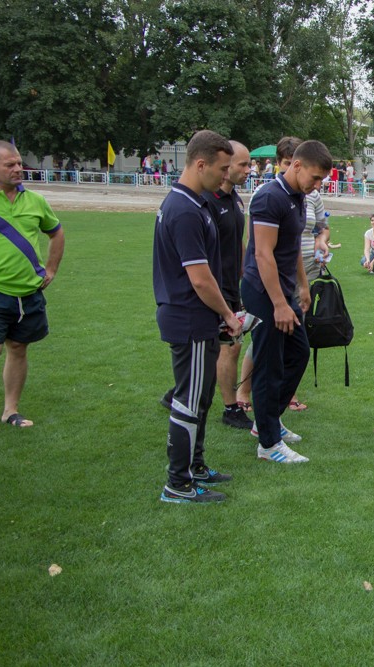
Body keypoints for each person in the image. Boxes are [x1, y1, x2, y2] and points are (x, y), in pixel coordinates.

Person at [152, 130, 240, 503]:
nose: (226, 176)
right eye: (222, 168)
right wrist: (228, 315)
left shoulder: (194, 202)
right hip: (189, 317)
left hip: (196, 318)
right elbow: (200, 279)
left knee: (200, 398)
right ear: (200, 164)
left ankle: (196, 466)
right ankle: (178, 483)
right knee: (189, 400)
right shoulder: (185, 210)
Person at [242, 140, 333, 464]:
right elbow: (262, 254)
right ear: (295, 165)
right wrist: (279, 304)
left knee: (298, 352)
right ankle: (268, 444)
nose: (318, 185)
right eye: (315, 177)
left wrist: (303, 286)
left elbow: (292, 247)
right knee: (269, 365)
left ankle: (268, 420)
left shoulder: (298, 197)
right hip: (263, 292)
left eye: (322, 179)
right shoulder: (270, 197)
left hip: (284, 290)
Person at [159, 141, 255, 429]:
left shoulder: (234, 200)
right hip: (207, 292)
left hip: (229, 284)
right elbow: (197, 269)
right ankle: (230, 407)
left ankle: (179, 392)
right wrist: (225, 310)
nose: (247, 170)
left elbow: (236, 240)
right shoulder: (198, 204)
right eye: (240, 165)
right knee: (227, 350)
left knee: (215, 355)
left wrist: (244, 273)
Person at [0, 140, 66, 428]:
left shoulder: (35, 201)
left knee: (19, 347)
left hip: (28, 293)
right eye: (10, 164)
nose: (18, 168)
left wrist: (51, 269)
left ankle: (10, 411)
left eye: (20, 163)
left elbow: (56, 233)